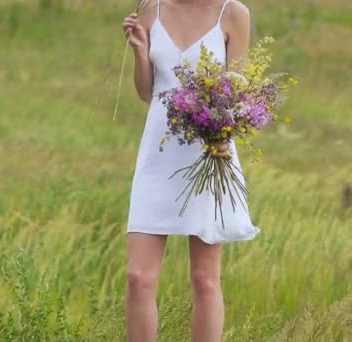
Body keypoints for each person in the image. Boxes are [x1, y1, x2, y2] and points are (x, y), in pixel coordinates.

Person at [121, 0, 260, 341]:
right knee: (138, 277)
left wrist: (223, 134)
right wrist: (140, 51)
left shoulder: (233, 13)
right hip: (158, 152)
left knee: (204, 278)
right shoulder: (151, 8)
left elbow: (235, 92)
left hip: (209, 150)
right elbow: (147, 92)